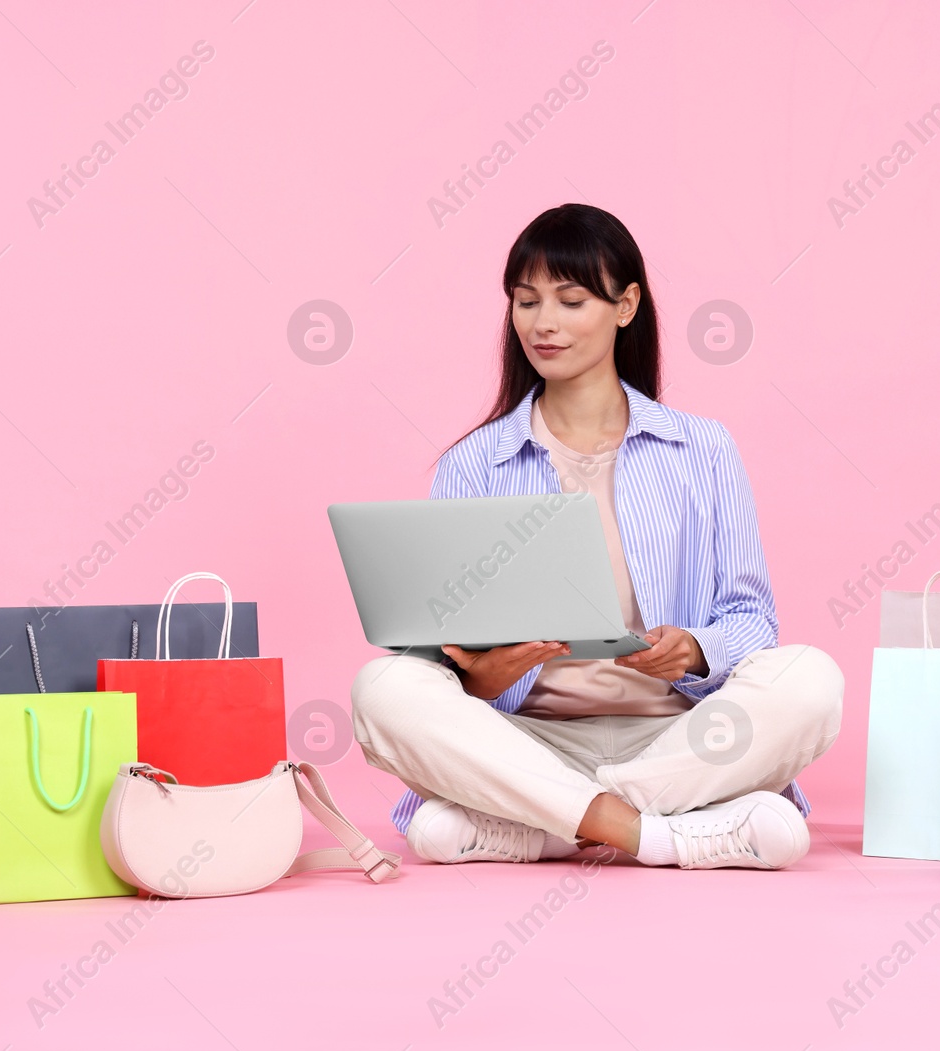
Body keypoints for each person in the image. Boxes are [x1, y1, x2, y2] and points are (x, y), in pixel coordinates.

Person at [349, 204, 843, 870]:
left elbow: (753, 620)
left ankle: (550, 823)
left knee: (810, 680)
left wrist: (695, 649)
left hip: (678, 737)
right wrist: (486, 673)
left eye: (570, 299)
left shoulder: (703, 448)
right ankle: (656, 832)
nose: (543, 322)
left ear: (626, 304)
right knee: (384, 688)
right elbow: (447, 656)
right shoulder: (474, 463)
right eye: (526, 302)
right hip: (527, 740)